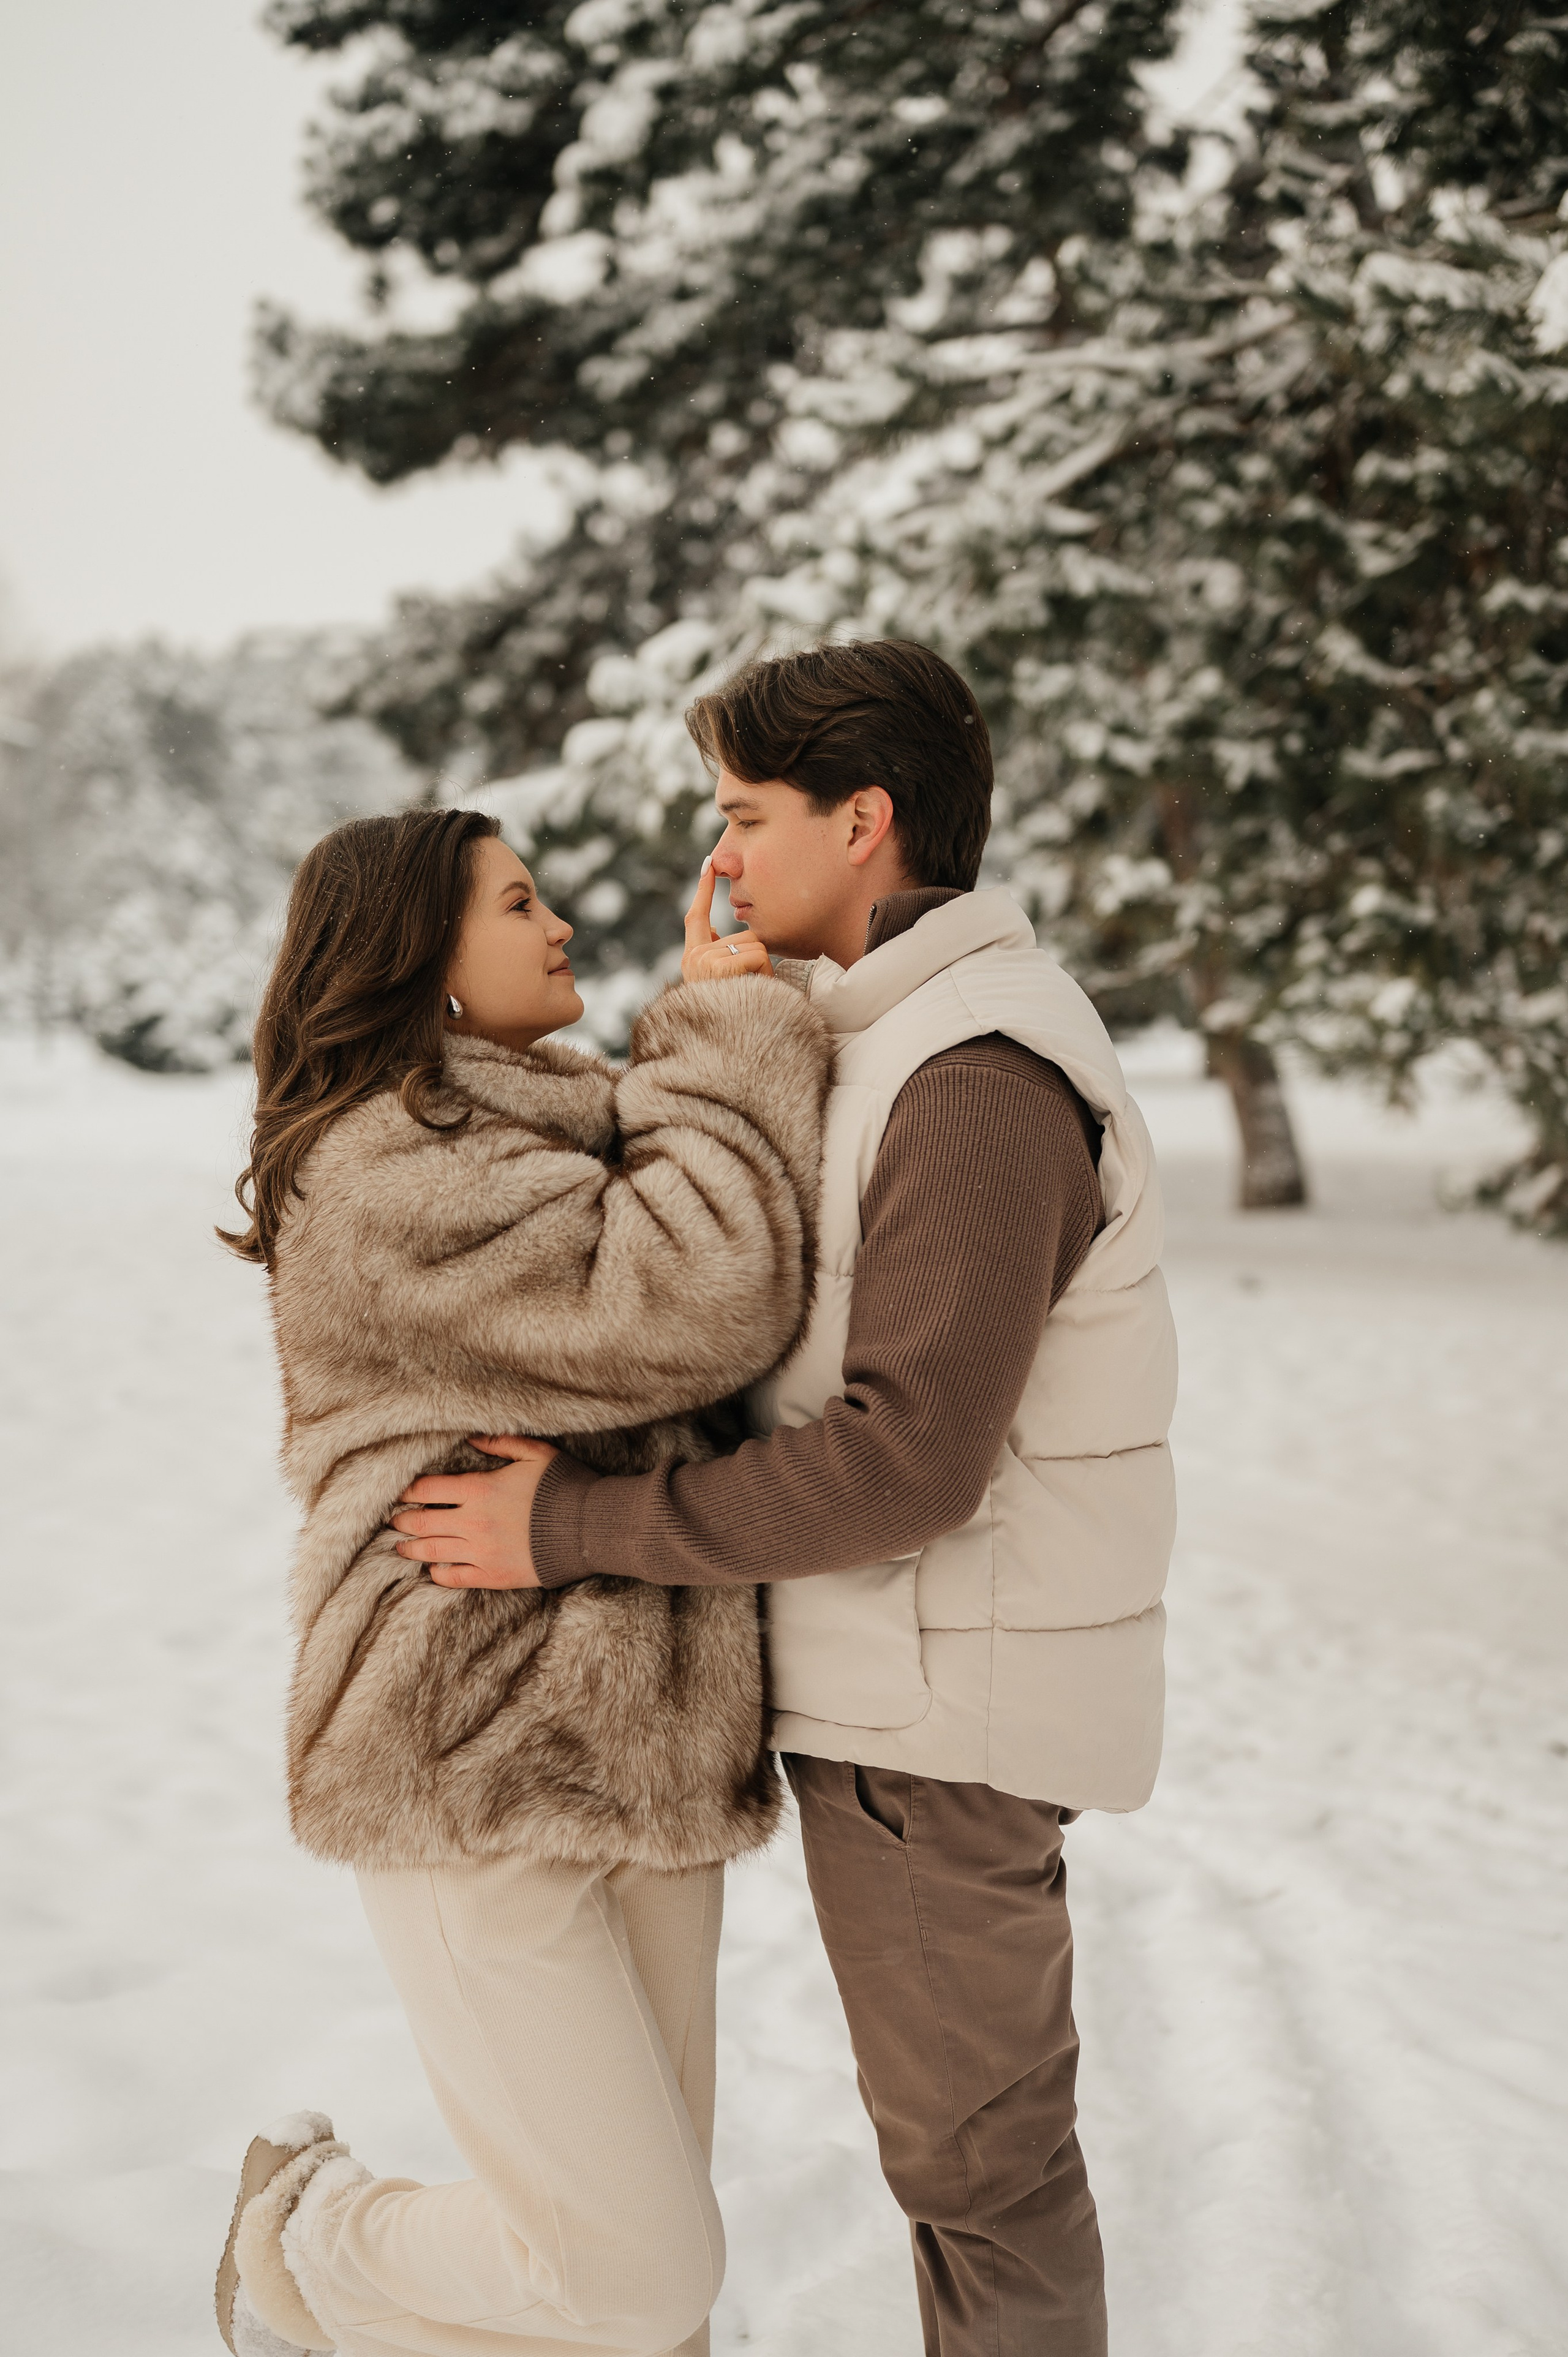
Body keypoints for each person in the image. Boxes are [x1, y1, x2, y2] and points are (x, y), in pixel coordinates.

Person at [391, 641, 1178, 2357]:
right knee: (968, 2165)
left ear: (867, 817)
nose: (722, 855)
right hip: (915, 1696)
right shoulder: (899, 1041)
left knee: (983, 2175)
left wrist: (567, 1531)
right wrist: (713, 1010)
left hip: (940, 1723)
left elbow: (908, 1460)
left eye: (745, 816)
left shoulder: (974, 1076)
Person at [212, 808, 831, 2357]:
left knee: (624, 2301)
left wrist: (697, 1041)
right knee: (633, 2271)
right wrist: (730, 1024)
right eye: (516, 902)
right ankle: (302, 2236)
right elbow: (699, 1290)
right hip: (464, 1752)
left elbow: (681, 1208)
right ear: (423, 966)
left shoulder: (542, 1132)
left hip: (643, 1743)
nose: (558, 925)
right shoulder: (381, 1171)